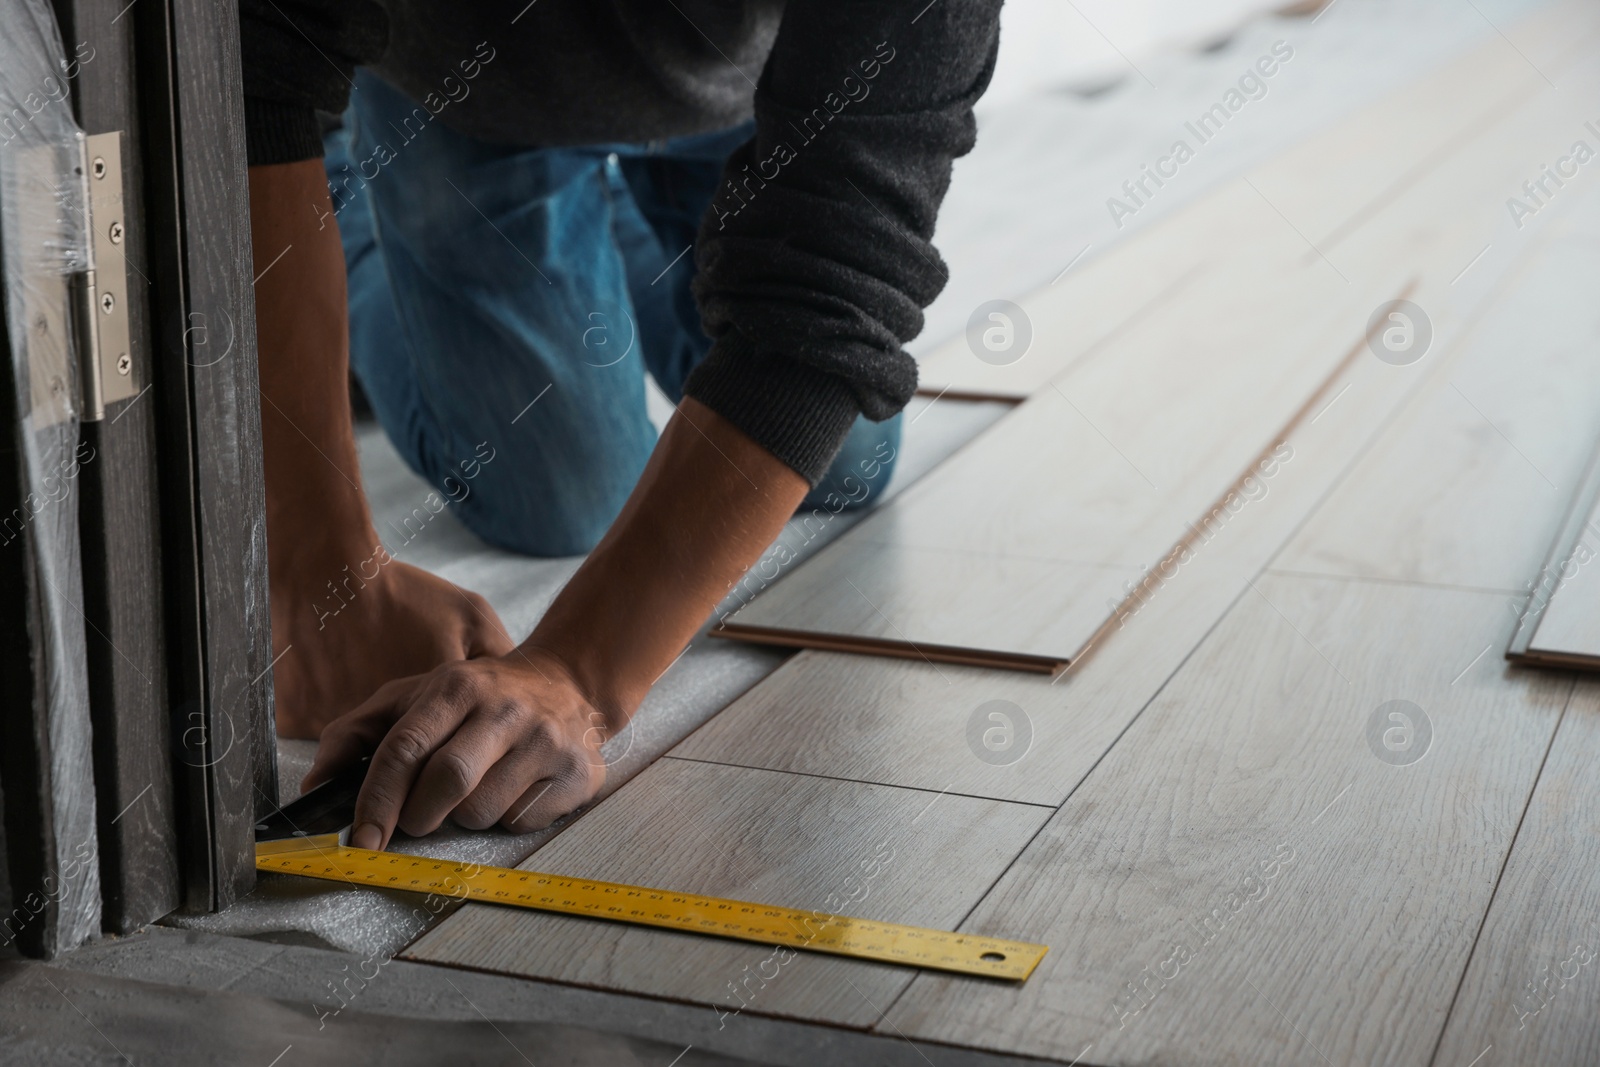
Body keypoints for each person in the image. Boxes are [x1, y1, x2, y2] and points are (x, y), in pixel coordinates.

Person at [243, 0, 1002, 851]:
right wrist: (320, 571)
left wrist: (579, 674)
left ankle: (613, 248)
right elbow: (250, 69)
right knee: (561, 496)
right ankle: (346, 206)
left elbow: (838, 282)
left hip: (737, 90)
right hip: (470, 85)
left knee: (848, 461)